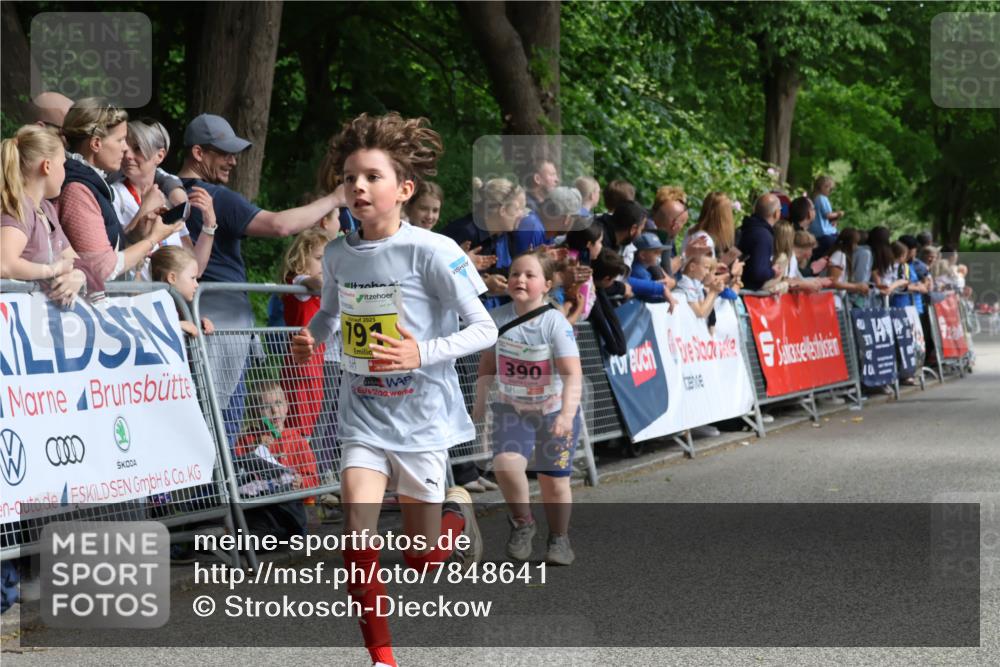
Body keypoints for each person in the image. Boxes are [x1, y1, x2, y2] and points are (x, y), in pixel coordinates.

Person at [290, 112, 497, 667]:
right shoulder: (337, 254)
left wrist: (418, 353)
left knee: (422, 558)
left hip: (420, 419)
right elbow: (329, 315)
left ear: (404, 189)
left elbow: (486, 329)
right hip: (363, 416)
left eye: (372, 176)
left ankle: (455, 517)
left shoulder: (434, 250)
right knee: (356, 535)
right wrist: (311, 339)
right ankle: (382, 658)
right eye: (350, 177)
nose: (357, 186)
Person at [177, 113, 346, 445]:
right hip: (222, 327)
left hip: (195, 319)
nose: (233, 161)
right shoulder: (214, 196)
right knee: (223, 421)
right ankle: (221, 478)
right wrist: (335, 199)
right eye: (224, 153)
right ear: (198, 153)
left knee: (202, 417)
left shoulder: (168, 191)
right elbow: (280, 225)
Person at [472, 250, 583, 565]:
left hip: (553, 409)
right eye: (515, 274)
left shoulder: (554, 322)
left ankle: (559, 538)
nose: (520, 279)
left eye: (529, 275)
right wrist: (479, 403)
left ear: (546, 285)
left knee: (553, 481)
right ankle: (523, 523)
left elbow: (572, 373)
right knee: (505, 465)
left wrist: (566, 414)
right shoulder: (496, 319)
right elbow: (487, 366)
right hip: (511, 409)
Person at [58, 99, 182, 290]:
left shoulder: (91, 184)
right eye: (120, 140)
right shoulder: (77, 190)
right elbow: (103, 267)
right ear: (96, 143)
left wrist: (134, 236)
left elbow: (105, 251)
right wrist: (152, 239)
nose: (125, 149)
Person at [111, 119, 217, 277]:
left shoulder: (169, 198)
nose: (128, 155)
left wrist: (209, 224)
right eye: (125, 147)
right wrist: (144, 210)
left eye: (138, 148)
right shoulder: (114, 194)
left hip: (169, 292)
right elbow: (113, 256)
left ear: (159, 156)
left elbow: (195, 269)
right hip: (134, 291)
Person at [0, 125, 85, 305]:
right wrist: (52, 270)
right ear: (47, 166)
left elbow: (73, 259)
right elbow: (4, 264)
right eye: (63, 164)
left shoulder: (46, 208)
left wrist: (77, 276)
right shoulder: (18, 206)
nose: (65, 171)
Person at [278, 228, 330, 442]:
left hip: (314, 364)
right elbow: (318, 283)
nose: (324, 265)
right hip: (302, 365)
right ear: (301, 259)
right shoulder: (299, 282)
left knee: (311, 422)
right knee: (299, 425)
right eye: (319, 258)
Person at [149, 246, 214, 338]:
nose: (197, 285)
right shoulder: (153, 303)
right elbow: (147, 327)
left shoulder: (179, 307)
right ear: (172, 278)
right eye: (192, 278)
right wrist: (179, 325)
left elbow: (189, 327)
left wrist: (200, 324)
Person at [737, 193, 782, 290]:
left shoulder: (746, 227)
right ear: (776, 213)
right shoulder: (764, 236)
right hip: (746, 291)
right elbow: (758, 272)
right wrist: (773, 272)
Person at [821, 228, 870, 305]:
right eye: (855, 243)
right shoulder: (839, 255)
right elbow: (833, 282)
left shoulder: (840, 255)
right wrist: (856, 286)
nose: (856, 247)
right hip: (831, 301)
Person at [809, 175, 844, 256]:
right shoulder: (822, 198)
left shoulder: (813, 198)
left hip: (814, 232)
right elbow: (827, 215)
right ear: (822, 187)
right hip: (824, 232)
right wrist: (838, 214)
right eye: (829, 188)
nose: (831, 191)